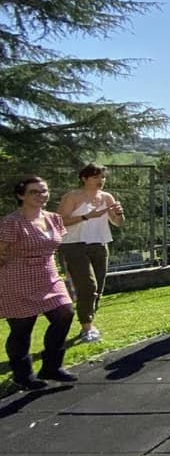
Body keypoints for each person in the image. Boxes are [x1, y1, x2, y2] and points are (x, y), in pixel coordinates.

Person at [0, 176, 78, 390]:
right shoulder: (11, 222)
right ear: (21, 195)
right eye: (35, 192)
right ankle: (23, 375)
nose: (41, 196)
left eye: (44, 191)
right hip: (16, 279)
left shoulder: (54, 218)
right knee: (22, 328)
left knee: (65, 313)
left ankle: (51, 366)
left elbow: (55, 246)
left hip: (48, 275)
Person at [56, 163, 124, 343]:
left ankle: (88, 321)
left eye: (103, 177)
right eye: (96, 177)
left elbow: (117, 222)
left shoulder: (107, 197)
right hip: (74, 245)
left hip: (100, 244)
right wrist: (87, 216)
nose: (100, 181)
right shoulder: (72, 196)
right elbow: (60, 222)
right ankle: (87, 328)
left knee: (98, 288)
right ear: (84, 178)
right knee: (88, 286)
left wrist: (119, 214)